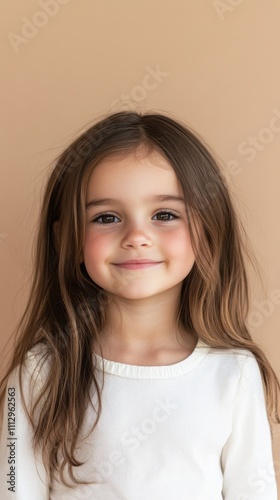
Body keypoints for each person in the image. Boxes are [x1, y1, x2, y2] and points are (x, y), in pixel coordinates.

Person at [0, 110, 279, 499]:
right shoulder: (36, 375)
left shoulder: (234, 374)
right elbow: (13, 490)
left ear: (208, 229)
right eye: (107, 217)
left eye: (165, 215)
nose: (136, 236)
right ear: (68, 238)